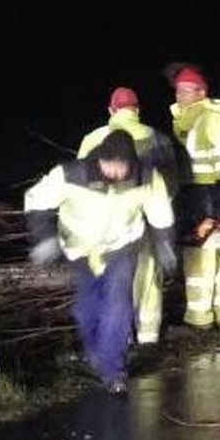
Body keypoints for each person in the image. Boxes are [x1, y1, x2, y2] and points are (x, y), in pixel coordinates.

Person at [24, 130, 177, 393]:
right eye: (109, 165)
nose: (115, 172)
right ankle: (95, 354)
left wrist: (164, 244)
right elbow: (35, 201)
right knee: (88, 308)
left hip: (121, 245)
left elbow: (160, 213)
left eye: (121, 166)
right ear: (100, 160)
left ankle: (113, 370)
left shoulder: (147, 178)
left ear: (131, 162)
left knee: (119, 303)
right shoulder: (71, 174)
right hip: (80, 249)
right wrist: (45, 238)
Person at [76, 86, 180, 345]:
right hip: (146, 220)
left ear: (111, 110)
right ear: (137, 110)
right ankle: (148, 337)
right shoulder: (157, 138)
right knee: (147, 277)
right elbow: (170, 184)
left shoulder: (92, 139)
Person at [167, 63, 220, 330]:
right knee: (214, 262)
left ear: (201, 92)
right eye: (177, 91)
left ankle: (198, 323)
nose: (179, 96)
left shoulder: (211, 120)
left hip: (206, 205)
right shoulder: (191, 122)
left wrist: (219, 216)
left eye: (186, 91)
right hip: (196, 202)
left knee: (198, 265)